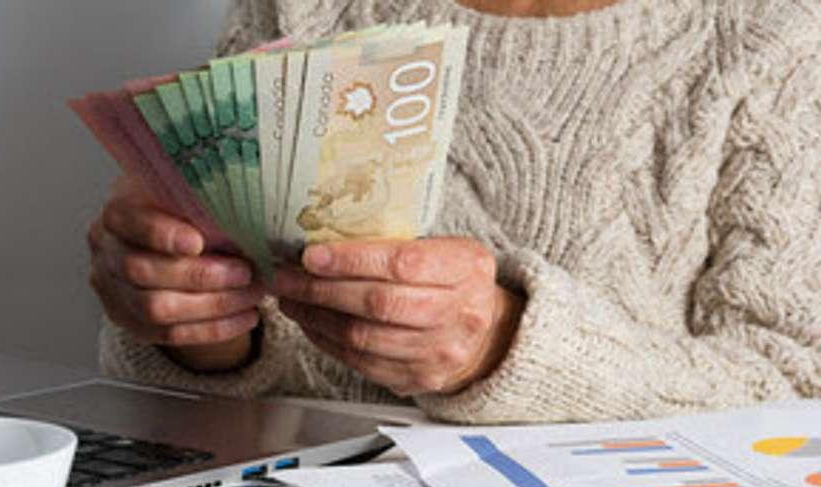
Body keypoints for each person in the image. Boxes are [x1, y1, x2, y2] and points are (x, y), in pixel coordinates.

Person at [86, 0, 821, 424]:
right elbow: (205, 388)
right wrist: (195, 329)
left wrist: (504, 347)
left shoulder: (780, 33)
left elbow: (796, 396)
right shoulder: (306, 5)